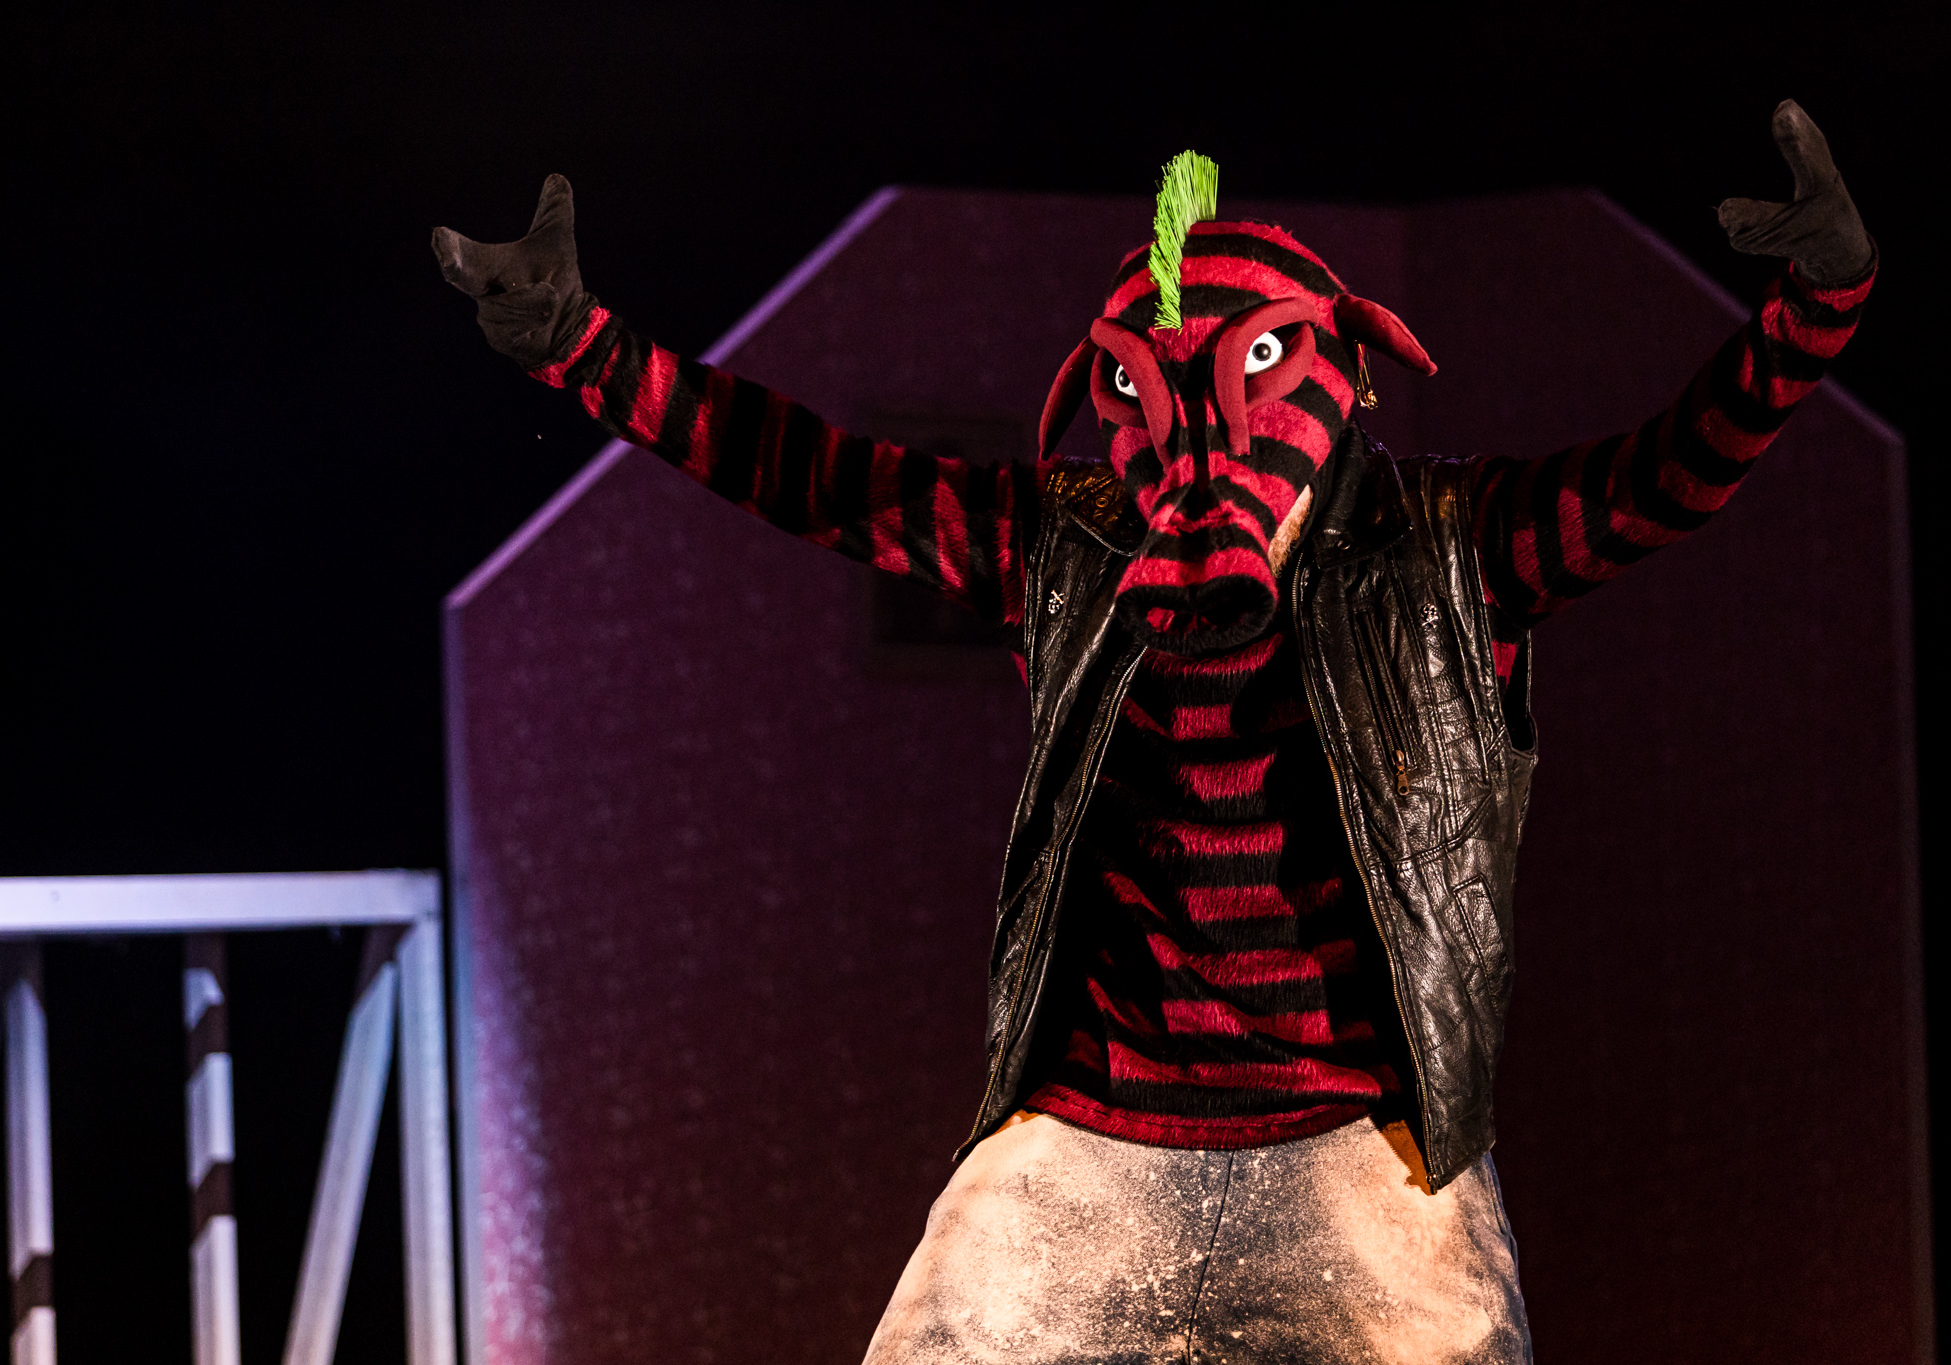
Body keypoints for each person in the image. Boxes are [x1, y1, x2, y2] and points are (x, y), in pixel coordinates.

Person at [434, 101, 1874, 1365]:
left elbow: (1668, 475)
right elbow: (815, 475)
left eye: (1250, 377)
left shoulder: (1454, 549)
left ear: (1346, 378)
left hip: (1363, 1155)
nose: (1204, 444)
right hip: (1088, 1143)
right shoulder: (1069, 546)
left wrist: (1818, 305)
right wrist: (583, 347)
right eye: (1147, 389)